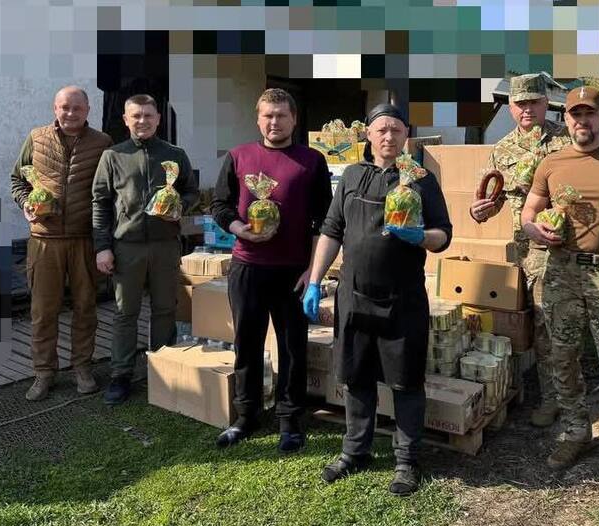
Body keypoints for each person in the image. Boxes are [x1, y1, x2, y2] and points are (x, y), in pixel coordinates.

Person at [303, 104, 452, 496]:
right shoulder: (352, 176)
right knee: (356, 377)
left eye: (396, 130)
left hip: (402, 299)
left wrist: (421, 237)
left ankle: (407, 461)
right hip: (354, 296)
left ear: (406, 136)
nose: (389, 136)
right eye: (381, 129)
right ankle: (355, 451)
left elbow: (443, 235)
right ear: (368, 134)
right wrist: (315, 281)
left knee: (406, 382)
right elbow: (332, 230)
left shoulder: (421, 179)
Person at [520, 86, 599, 495]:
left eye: (589, 113)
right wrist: (534, 229)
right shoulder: (552, 162)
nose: (582, 121)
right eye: (575, 114)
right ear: (567, 119)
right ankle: (576, 431)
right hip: (561, 271)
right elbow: (529, 210)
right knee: (562, 356)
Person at [210, 88, 332, 452]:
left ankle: (290, 418)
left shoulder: (312, 160)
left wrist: (312, 271)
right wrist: (240, 229)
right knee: (247, 342)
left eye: (281, 115)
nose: (274, 122)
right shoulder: (238, 156)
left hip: (293, 271)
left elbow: (324, 220)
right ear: (258, 119)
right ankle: (246, 415)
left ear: (294, 119)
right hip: (248, 266)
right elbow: (220, 205)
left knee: (292, 346)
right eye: (268, 115)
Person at [470, 73, 570, 428]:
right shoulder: (502, 149)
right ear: (511, 107)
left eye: (534, 102)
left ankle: (566, 396)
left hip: (568, 248)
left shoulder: (566, 139)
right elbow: (491, 198)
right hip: (528, 252)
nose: (527, 110)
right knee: (538, 324)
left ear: (546, 104)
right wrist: (479, 211)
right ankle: (548, 395)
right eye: (520, 104)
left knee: (562, 326)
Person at [91, 94, 199, 405]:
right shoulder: (113, 156)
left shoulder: (175, 154)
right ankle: (121, 374)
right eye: (136, 116)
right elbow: (100, 204)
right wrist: (102, 247)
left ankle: (162, 368)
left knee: (165, 308)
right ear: (126, 120)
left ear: (158, 119)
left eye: (148, 115)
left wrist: (180, 207)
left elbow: (191, 192)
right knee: (125, 312)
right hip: (127, 247)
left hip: (165, 245)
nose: (142, 121)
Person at [10, 85, 112, 401]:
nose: (70, 113)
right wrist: (25, 203)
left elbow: (110, 190)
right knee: (43, 311)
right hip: (45, 240)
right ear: (55, 108)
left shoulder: (102, 143)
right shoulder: (36, 138)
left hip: (84, 240)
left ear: (88, 110)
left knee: (85, 308)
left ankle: (82, 367)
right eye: (64, 107)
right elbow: (17, 180)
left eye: (77, 108)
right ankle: (44, 372)